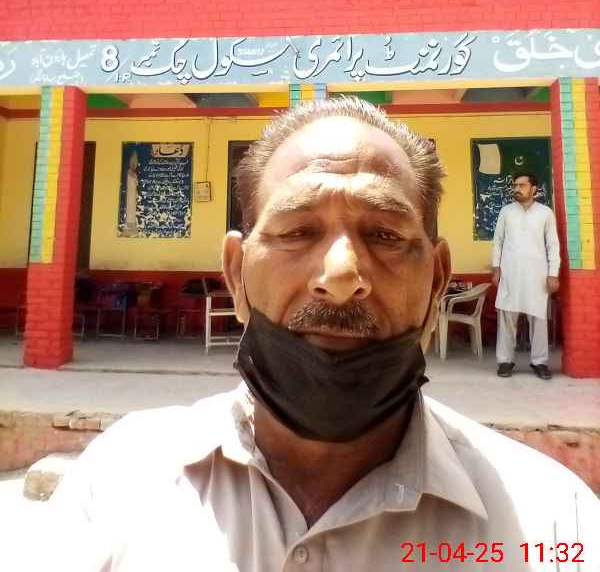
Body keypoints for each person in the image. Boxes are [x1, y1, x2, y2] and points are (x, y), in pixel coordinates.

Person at [43, 98, 598, 571]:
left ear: (436, 282)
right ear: (236, 275)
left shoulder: (552, 522)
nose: (341, 276)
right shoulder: (117, 483)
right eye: (297, 231)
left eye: (384, 235)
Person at [492, 173, 560, 380]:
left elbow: (553, 245)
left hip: (537, 275)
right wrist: (496, 268)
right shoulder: (506, 211)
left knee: (538, 319)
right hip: (510, 273)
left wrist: (553, 274)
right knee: (507, 317)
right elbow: (498, 241)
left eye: (522, 185)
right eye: (515, 185)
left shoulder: (545, 213)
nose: (517, 189)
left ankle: (540, 362)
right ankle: (505, 361)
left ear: (533, 188)